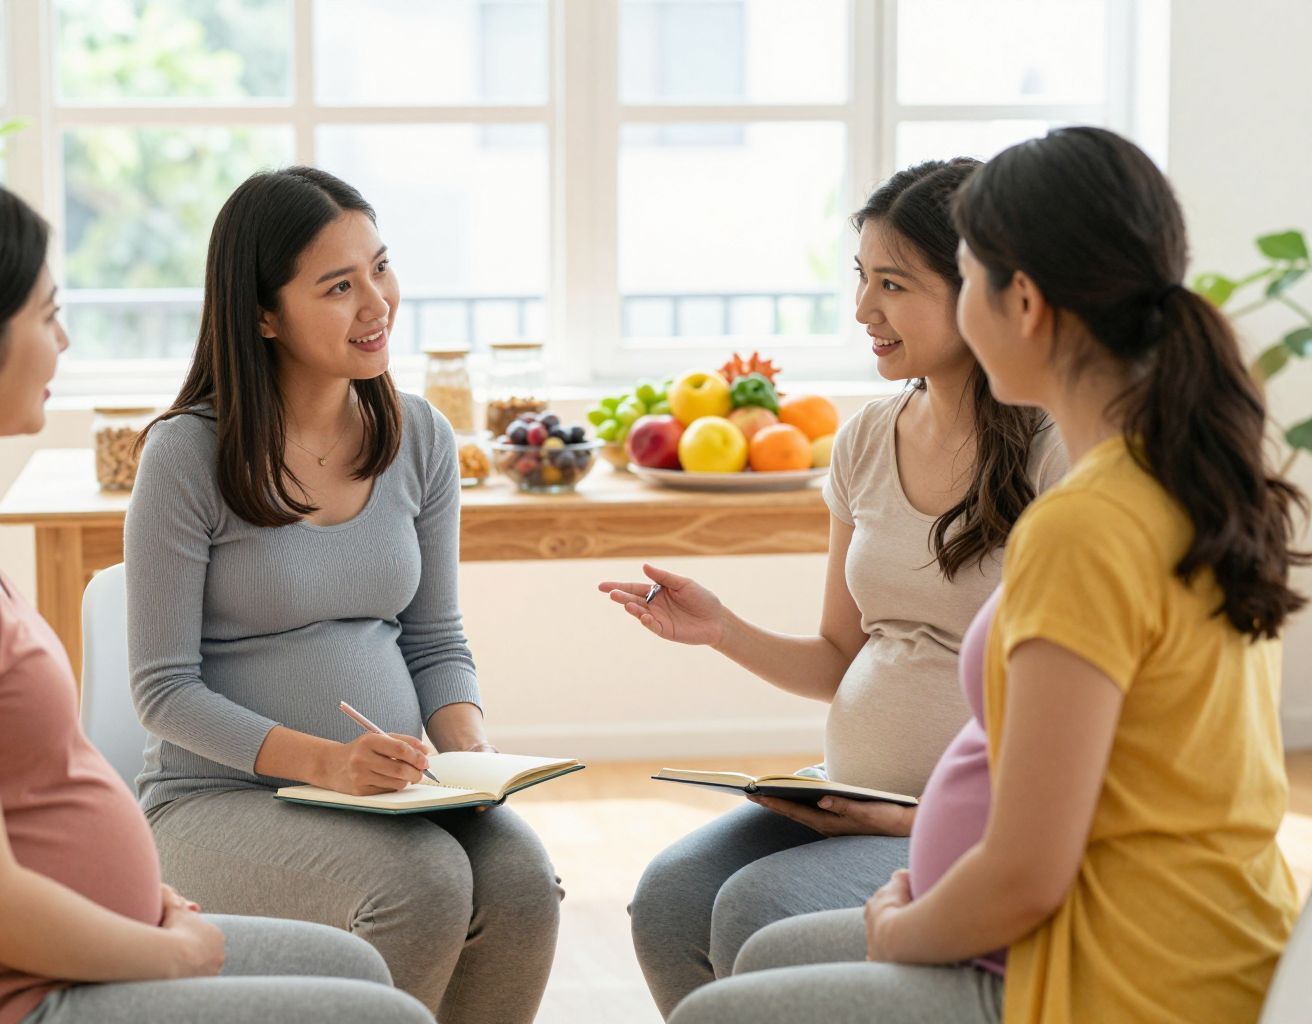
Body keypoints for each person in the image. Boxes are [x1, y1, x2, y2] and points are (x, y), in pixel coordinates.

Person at [669, 126, 1304, 1024]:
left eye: (963, 277)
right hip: (1187, 937)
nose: (868, 307)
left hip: (1115, 973)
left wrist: (904, 929)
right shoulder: (1182, 477)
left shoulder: (1083, 526)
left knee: (718, 1014)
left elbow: (1025, 877)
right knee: (761, 947)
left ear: (1024, 305)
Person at [0, 170, 432, 1024]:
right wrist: (159, 950)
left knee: (356, 969)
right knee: (388, 1018)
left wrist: (134, 900)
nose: (66, 342)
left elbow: (18, 802)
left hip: (34, 957)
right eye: (48, 316)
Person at [601, 158, 1067, 1018]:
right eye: (861, 278)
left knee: (756, 910)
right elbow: (842, 657)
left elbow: (1069, 710)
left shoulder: (1054, 451)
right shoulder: (862, 440)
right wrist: (722, 630)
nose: (863, 310)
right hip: (851, 790)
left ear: (981, 293)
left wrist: (923, 821)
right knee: (670, 895)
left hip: (959, 815)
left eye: (893, 283)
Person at [125, 166, 561, 1024]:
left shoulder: (419, 434)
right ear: (262, 313)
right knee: (425, 884)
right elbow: (163, 691)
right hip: (216, 802)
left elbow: (435, 640)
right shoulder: (186, 456)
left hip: (392, 792)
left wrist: (467, 766)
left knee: (520, 879)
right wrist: (330, 764)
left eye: (380, 267)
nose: (378, 303)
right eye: (338, 285)